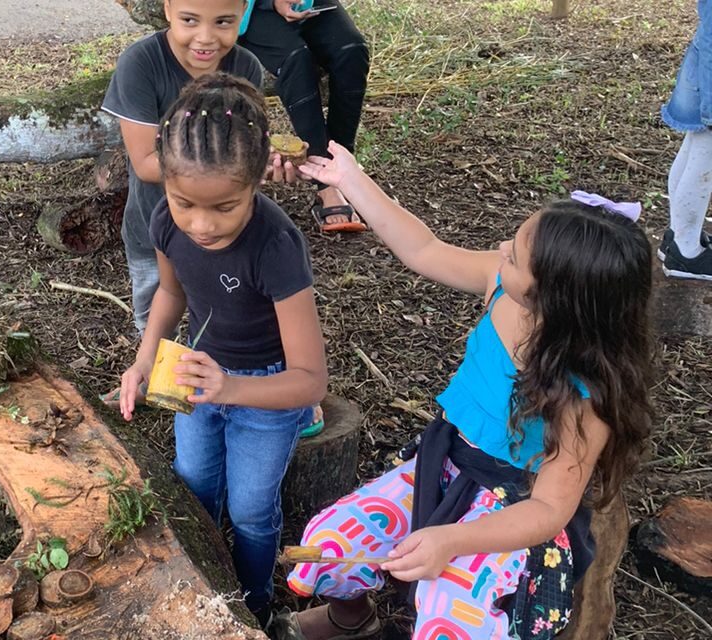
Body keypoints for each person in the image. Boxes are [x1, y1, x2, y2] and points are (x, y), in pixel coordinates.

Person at [271, 142, 653, 640]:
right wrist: (352, 180)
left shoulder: (587, 396)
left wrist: (452, 539)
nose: (499, 252)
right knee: (331, 541)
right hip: (445, 462)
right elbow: (424, 250)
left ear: (553, 300)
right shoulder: (502, 285)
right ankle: (353, 619)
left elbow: (547, 510)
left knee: (454, 616)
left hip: (511, 508)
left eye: (513, 256)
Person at [117, 72, 329, 626]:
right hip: (195, 373)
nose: (202, 225)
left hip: (266, 389)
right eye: (184, 202)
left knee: (252, 511)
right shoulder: (165, 220)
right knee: (193, 489)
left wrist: (231, 387)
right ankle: (200, 592)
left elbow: (310, 380)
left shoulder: (277, 245)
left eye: (225, 207)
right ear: (164, 181)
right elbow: (170, 291)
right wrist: (145, 358)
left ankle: (253, 605)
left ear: (258, 181)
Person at [101, 0, 264, 334]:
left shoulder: (246, 67)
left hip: (227, 233)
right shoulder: (141, 63)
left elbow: (248, 149)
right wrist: (227, 165)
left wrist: (264, 163)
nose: (205, 38)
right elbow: (146, 164)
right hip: (154, 228)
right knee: (156, 327)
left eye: (223, 22)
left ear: (243, 14)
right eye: (190, 20)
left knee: (225, 328)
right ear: (168, 9)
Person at [238, 0, 369, 233]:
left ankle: (342, 167)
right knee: (296, 59)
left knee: (352, 50)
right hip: (248, 8)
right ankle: (327, 184)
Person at [659, 0, 712, 280]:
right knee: (704, 161)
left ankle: (676, 238)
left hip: (702, 66)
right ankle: (685, 251)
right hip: (709, 79)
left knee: (695, 147)